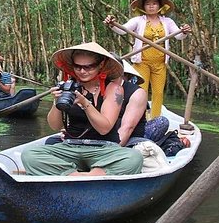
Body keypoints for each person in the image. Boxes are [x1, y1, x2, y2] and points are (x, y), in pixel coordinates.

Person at [21, 42, 143, 176]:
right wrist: (57, 102)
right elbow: (55, 126)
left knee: (133, 158)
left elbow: (104, 128)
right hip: (70, 146)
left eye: (89, 67)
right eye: (78, 67)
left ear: (100, 65)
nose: (82, 72)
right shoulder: (68, 86)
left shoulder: (114, 89)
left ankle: (89, 175)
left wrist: (85, 103)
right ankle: (77, 176)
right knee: (29, 155)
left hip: (104, 149)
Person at [104, 0, 191, 118]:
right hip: (141, 62)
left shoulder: (167, 21)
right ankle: (140, 118)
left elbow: (178, 35)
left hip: (160, 63)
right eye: (148, 4)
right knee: (141, 91)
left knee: (158, 92)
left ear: (160, 6)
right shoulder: (138, 20)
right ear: (143, 7)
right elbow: (122, 30)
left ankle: (155, 118)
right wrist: (112, 24)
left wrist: (184, 31)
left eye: (154, 4)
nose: (151, 7)